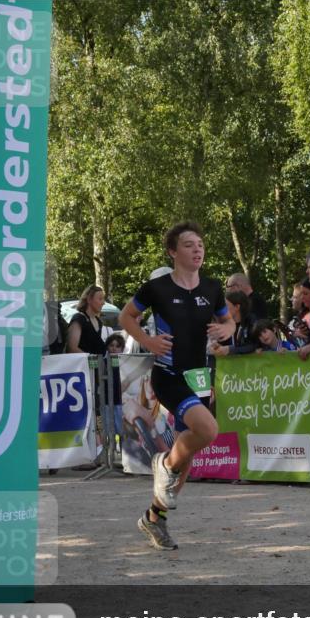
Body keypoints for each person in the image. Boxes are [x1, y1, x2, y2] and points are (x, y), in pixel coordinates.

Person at [119, 222, 235, 551]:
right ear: (173, 252)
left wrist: (227, 331)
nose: (197, 249)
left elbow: (229, 321)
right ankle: (163, 464)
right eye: (188, 245)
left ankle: (155, 518)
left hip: (199, 376)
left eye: (200, 244)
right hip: (169, 376)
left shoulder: (212, 288)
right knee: (208, 431)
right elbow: (126, 318)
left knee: (189, 453)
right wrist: (147, 341)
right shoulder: (156, 288)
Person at [210, 290, 257, 357]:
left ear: (237, 307)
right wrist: (218, 347)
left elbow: (254, 346)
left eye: (225, 305)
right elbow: (223, 345)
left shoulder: (251, 321)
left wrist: (230, 349)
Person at [66, 285, 107, 355]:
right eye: (100, 299)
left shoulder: (98, 321)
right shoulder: (79, 319)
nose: (103, 302)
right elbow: (72, 348)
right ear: (89, 300)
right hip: (81, 365)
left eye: (103, 299)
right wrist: (92, 359)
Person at [104, 333, 125, 448]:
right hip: (106, 401)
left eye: (117, 346)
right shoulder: (103, 362)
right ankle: (110, 453)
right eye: (111, 345)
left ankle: (123, 453)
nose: (114, 348)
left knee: (121, 430)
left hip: (120, 401)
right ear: (107, 346)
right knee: (107, 430)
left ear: (122, 349)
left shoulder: (125, 363)